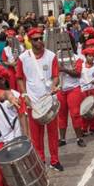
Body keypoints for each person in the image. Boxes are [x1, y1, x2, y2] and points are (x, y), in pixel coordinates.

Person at [16, 28, 63, 171]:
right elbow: (19, 78)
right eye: (35, 39)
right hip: (33, 100)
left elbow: (55, 75)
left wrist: (54, 86)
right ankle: (41, 160)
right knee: (36, 135)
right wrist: (24, 95)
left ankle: (55, 160)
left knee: (53, 133)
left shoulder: (51, 56)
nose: (39, 41)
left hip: (49, 100)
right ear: (30, 41)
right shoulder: (23, 58)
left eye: (40, 38)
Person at [77, 47, 94, 134]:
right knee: (84, 109)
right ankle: (84, 128)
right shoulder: (81, 65)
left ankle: (93, 127)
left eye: (93, 56)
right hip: (83, 90)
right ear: (85, 56)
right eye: (89, 56)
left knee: (93, 109)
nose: (91, 57)